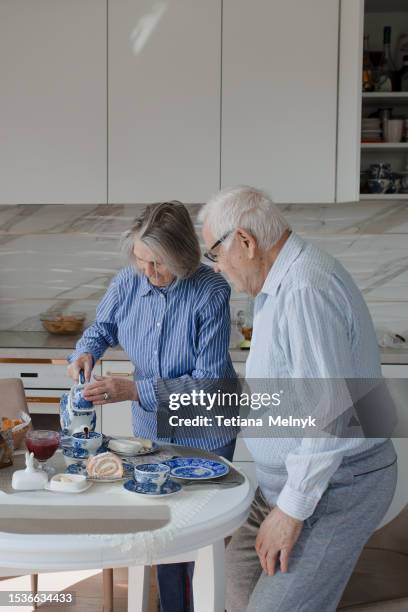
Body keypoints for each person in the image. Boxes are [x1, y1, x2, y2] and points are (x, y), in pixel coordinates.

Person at [199, 186, 398, 612]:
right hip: (284, 483)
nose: (217, 269)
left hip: (335, 488)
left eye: (215, 254)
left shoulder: (306, 289)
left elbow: (332, 414)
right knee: (234, 592)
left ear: (247, 242)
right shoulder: (279, 283)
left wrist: (290, 512)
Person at [67, 201, 236, 612]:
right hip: (152, 434)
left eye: (157, 264)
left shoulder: (210, 292)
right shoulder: (129, 282)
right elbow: (102, 327)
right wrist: (86, 352)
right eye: (141, 261)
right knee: (162, 533)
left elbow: (210, 384)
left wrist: (135, 390)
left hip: (205, 433)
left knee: (197, 537)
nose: (148, 272)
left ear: (182, 256)